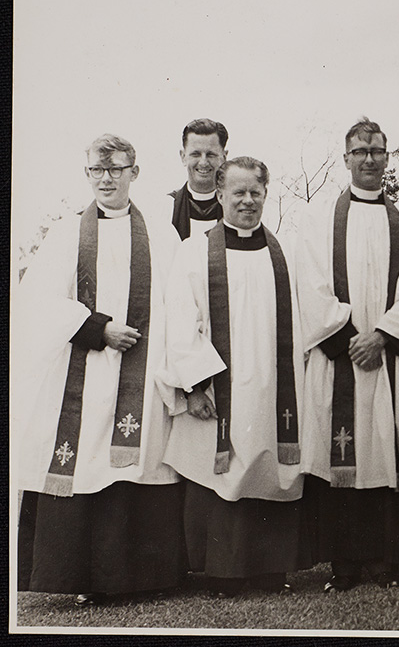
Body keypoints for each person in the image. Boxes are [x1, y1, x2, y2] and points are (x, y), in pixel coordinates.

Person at [16, 134, 184, 606]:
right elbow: (39, 301)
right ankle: (84, 580)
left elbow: (179, 301)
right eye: (97, 170)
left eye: (116, 169)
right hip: (84, 371)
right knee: (89, 463)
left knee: (136, 467)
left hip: (143, 373)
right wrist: (97, 327)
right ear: (87, 173)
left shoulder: (163, 235)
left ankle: (143, 578)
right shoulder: (67, 233)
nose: (106, 178)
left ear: (135, 171)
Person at [296, 119, 399, 591]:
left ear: (387, 158)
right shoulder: (319, 219)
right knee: (346, 457)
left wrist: (382, 336)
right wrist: (349, 340)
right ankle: (346, 565)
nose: (368, 159)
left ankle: (393, 562)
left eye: (377, 152)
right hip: (342, 359)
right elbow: (310, 287)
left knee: (393, 453)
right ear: (345, 159)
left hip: (393, 360)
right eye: (359, 151)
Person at [161, 156, 304, 597]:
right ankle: (223, 573)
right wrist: (196, 384)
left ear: (265, 194)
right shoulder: (195, 250)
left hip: (275, 386)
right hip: (219, 389)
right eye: (237, 192)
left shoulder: (287, 252)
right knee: (218, 473)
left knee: (269, 467)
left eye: (255, 192)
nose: (247, 201)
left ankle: (271, 571)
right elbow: (179, 320)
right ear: (219, 195)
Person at [169, 118, 228, 240]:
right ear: (183, 157)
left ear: (224, 157)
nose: (203, 162)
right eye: (195, 154)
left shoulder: (234, 208)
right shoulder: (166, 207)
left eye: (211, 154)